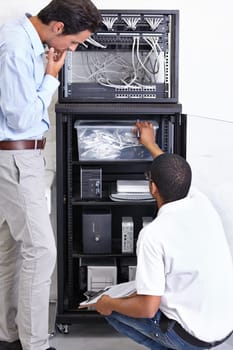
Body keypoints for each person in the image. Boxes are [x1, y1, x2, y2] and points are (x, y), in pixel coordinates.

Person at [0, 1, 101, 350]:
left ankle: (9, 335)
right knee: (41, 251)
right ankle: (36, 345)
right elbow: (19, 118)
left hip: (21, 156)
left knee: (12, 248)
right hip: (16, 156)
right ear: (57, 27)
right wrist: (50, 79)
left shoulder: (26, 41)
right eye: (73, 43)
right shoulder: (15, 46)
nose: (70, 50)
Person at [95, 121, 233, 350]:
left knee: (109, 308)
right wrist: (151, 144)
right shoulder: (201, 202)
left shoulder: (153, 235)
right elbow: (174, 172)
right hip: (226, 325)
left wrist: (110, 302)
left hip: (194, 338)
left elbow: (148, 309)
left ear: (152, 188)